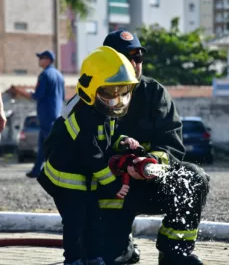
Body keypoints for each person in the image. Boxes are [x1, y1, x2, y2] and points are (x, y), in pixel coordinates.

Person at [94, 30, 210, 265]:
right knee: (111, 257)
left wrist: (149, 165)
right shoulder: (94, 95)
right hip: (110, 185)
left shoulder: (155, 94)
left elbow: (172, 145)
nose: (135, 63)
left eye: (138, 57)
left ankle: (175, 251)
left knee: (194, 177)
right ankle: (118, 244)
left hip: (151, 180)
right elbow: (87, 149)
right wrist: (122, 165)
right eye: (127, 57)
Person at [37, 46, 140, 265]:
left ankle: (94, 258)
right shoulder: (82, 113)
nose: (118, 99)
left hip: (85, 178)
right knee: (75, 222)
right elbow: (91, 154)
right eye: (111, 93)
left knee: (94, 219)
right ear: (91, 88)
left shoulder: (100, 107)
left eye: (122, 92)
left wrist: (122, 142)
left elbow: (104, 140)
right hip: (66, 180)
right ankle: (73, 260)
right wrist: (114, 185)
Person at [26, 50, 65, 178]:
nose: (39, 60)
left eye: (41, 57)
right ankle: (37, 170)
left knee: (51, 146)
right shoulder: (59, 75)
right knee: (43, 144)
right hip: (56, 114)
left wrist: (30, 93)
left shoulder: (45, 75)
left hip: (46, 115)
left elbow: (38, 95)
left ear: (48, 60)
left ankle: (59, 171)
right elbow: (63, 96)